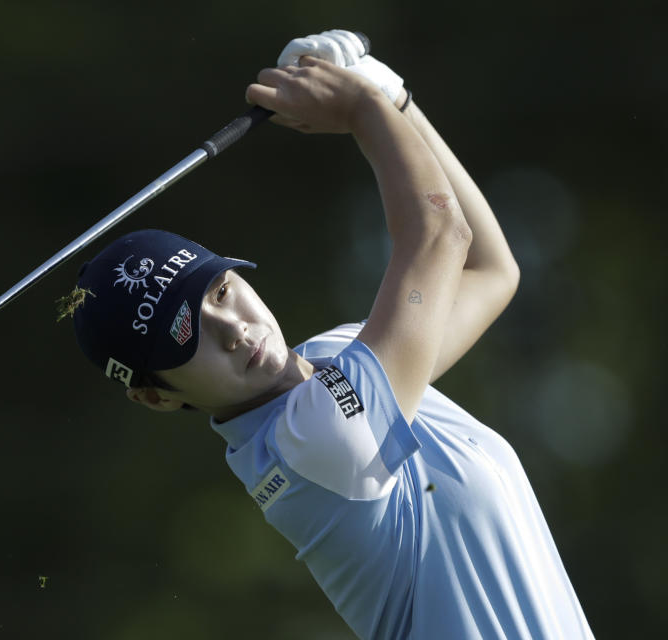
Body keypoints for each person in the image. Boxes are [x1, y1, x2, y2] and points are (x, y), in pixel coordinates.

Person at [59, 30, 594, 639]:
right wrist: (360, 110)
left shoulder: (336, 355)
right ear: (158, 396)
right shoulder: (312, 441)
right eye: (187, 335)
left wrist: (395, 101)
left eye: (220, 291)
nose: (232, 329)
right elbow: (441, 235)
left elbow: (489, 273)